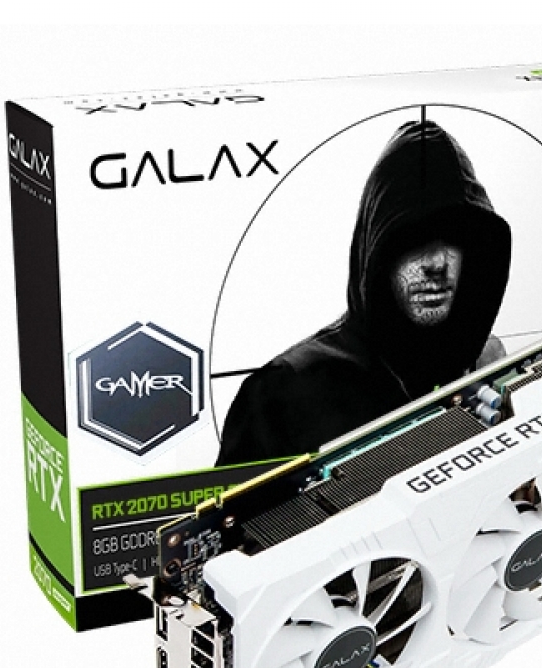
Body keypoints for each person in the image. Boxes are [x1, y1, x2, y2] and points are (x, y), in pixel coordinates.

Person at [217, 118, 513, 466]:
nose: (437, 263)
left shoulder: (488, 361)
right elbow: (240, 505)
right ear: (377, 253)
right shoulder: (282, 394)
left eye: (454, 239)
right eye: (417, 239)